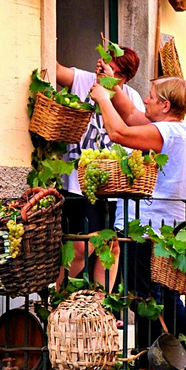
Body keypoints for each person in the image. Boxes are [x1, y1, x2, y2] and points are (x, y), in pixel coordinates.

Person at [90, 67, 186, 370]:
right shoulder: (176, 131)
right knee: (167, 295)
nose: (145, 101)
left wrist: (101, 99)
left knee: (144, 296)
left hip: (146, 225)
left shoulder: (165, 134)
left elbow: (119, 132)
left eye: (151, 97)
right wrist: (111, 82)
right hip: (167, 225)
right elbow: (133, 114)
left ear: (165, 105)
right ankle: (177, 365)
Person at [55, 47, 143, 286]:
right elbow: (52, 69)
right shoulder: (83, 79)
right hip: (78, 185)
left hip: (111, 189)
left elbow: (134, 131)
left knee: (111, 247)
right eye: (107, 64)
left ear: (124, 78)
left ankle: (100, 309)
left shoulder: (131, 98)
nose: (107, 70)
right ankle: (59, 298)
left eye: (114, 69)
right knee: (80, 248)